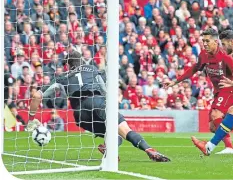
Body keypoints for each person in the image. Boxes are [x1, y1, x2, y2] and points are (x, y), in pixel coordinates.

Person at [25, 50, 170, 162]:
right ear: (81, 61)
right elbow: (107, 89)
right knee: (123, 129)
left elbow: (37, 96)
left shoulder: (62, 77)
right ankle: (149, 150)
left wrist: (31, 118)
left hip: (80, 114)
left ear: (68, 65)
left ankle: (108, 147)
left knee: (112, 134)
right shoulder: (93, 69)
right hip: (98, 101)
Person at [164, 28, 233, 155]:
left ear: (216, 42)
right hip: (218, 91)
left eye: (207, 41)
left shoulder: (225, 57)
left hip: (230, 90)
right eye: (203, 41)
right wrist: (175, 81)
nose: (205, 44)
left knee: (216, 115)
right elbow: (194, 69)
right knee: (213, 127)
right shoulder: (203, 55)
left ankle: (222, 146)